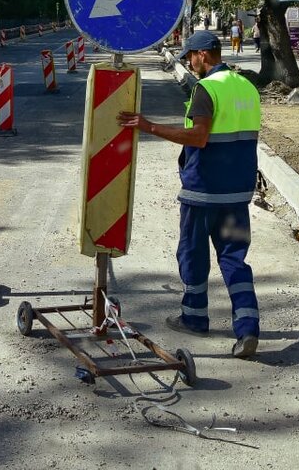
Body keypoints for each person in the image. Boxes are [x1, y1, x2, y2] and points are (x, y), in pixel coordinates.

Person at [116, 31, 262, 359]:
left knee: (192, 254)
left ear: (202, 55)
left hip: (204, 194)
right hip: (237, 195)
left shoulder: (205, 89)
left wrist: (149, 126)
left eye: (191, 56)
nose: (190, 63)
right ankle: (248, 327)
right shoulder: (248, 88)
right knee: (234, 259)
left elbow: (198, 137)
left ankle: (194, 317)